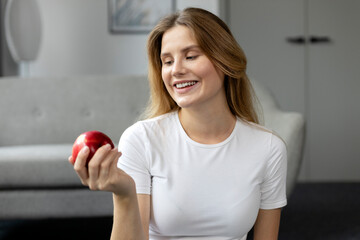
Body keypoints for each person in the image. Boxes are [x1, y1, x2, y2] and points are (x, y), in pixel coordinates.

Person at [69, 7, 287, 240]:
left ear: (225, 60)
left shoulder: (268, 147)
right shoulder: (141, 139)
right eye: (167, 61)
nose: (176, 70)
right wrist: (124, 194)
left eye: (191, 56)